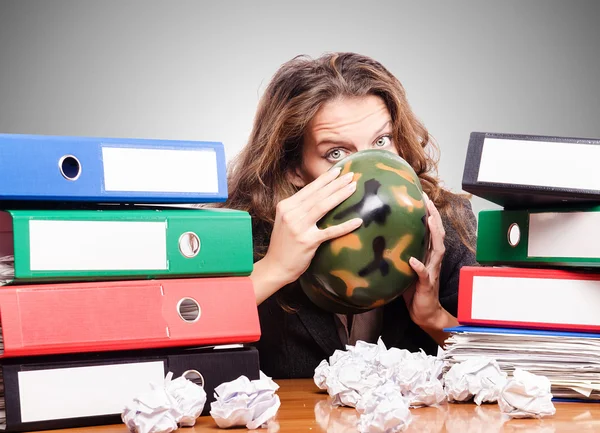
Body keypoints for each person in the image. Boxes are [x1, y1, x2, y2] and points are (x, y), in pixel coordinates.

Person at [218, 52, 477, 379]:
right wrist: (274, 269)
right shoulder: (247, 234)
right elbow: (178, 337)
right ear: (295, 168)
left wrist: (434, 317)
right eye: (336, 153)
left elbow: (502, 369)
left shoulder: (443, 223)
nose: (370, 170)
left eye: (381, 141)